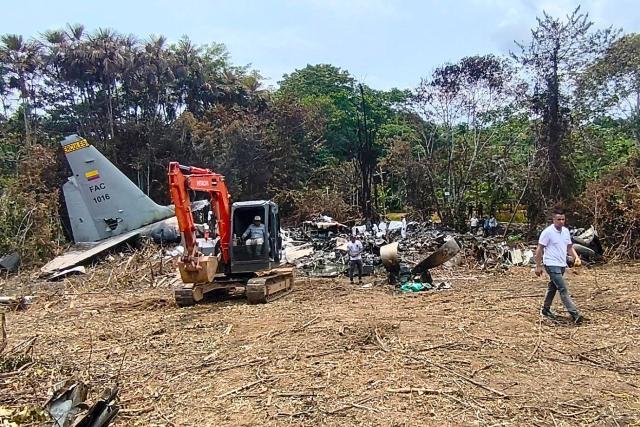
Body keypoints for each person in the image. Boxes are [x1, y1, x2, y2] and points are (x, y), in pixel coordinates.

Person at [535, 208, 584, 324]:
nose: (561, 221)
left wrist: (576, 257)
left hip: (562, 264)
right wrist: (538, 266)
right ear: (553, 220)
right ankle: (575, 314)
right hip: (551, 264)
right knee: (563, 288)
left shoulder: (566, 231)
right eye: (559, 219)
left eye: (563, 219)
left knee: (552, 287)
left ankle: (545, 309)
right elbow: (539, 249)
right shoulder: (547, 232)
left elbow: (569, 247)